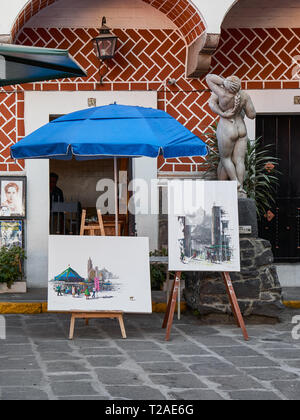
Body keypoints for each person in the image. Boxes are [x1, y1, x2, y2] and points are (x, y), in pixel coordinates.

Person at [206, 74, 256, 195]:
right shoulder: (244, 96)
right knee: (240, 160)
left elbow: (208, 78)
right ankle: (241, 189)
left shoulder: (221, 93)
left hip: (227, 126)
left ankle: (235, 182)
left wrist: (222, 113)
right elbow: (252, 115)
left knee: (225, 158)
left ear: (227, 85)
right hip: (241, 127)